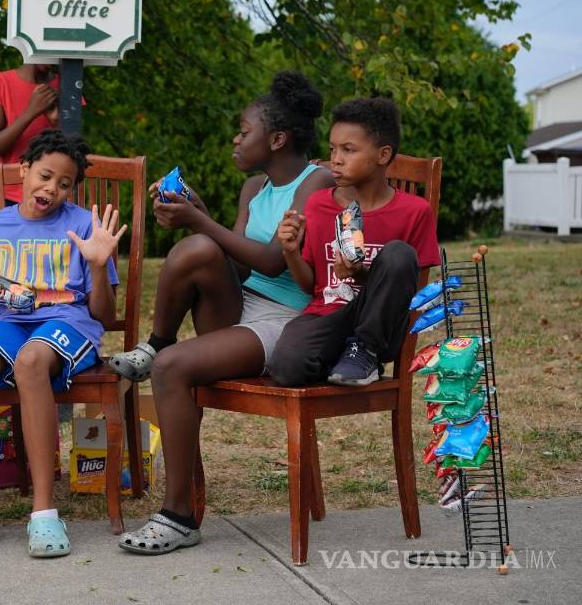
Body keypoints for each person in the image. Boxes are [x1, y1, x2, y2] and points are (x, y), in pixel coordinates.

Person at [113, 71, 333, 555]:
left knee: (173, 371)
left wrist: (200, 218)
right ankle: (159, 341)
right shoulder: (255, 187)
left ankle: (178, 517)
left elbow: (276, 258)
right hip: (244, 305)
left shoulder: (317, 181)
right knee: (195, 248)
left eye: (243, 131)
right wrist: (198, 212)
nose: (236, 139)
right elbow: (234, 259)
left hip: (287, 321)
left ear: (278, 138)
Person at [0, 130, 124, 558]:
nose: (51, 189)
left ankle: (44, 515)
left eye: (64, 183)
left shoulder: (81, 226)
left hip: (68, 322)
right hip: (10, 322)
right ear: (23, 170)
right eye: (45, 176)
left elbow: (105, 316)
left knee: (32, 361)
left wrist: (97, 265)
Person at [270, 97, 440, 387]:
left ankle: (364, 351)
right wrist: (290, 251)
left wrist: (361, 272)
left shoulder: (414, 212)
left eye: (348, 150)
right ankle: (343, 359)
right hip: (329, 314)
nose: (336, 158)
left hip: (381, 327)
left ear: (383, 155)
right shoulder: (318, 205)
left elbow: (410, 287)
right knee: (285, 367)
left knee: (399, 254)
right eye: (333, 149)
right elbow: (313, 285)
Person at [0, 62, 63, 205]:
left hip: (56, 195)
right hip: (10, 198)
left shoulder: (67, 84)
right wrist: (30, 112)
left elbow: (74, 149)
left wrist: (55, 122)